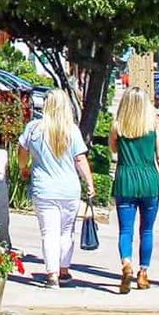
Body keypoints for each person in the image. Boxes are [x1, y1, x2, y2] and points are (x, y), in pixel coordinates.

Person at [18, 89, 96, 289]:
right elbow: (80, 159)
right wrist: (89, 183)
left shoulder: (33, 129)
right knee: (66, 232)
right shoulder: (72, 131)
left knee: (49, 232)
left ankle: (51, 274)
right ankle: (64, 270)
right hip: (69, 189)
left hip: (44, 189)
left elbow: (22, 151)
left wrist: (23, 168)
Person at [109, 86, 159, 293]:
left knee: (125, 230)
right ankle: (143, 273)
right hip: (149, 180)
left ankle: (126, 264)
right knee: (147, 230)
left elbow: (113, 149)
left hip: (125, 179)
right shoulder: (154, 127)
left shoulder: (118, 127)